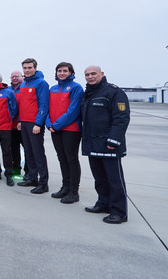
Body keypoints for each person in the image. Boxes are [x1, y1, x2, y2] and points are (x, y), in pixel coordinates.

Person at [81, 65, 130, 224]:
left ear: (102, 74)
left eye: (93, 73)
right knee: (99, 178)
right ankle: (103, 203)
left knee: (114, 180)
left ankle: (119, 212)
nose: (90, 76)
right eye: (87, 74)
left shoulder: (114, 92)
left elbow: (121, 118)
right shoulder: (88, 94)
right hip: (93, 144)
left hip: (109, 145)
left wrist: (113, 140)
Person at [46, 62, 84, 203]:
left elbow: (72, 111)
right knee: (62, 158)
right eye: (59, 71)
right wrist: (49, 123)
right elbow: (48, 108)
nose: (61, 73)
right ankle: (65, 187)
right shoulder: (53, 89)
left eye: (64, 71)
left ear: (71, 72)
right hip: (55, 129)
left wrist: (56, 125)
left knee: (71, 159)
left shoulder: (76, 88)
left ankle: (74, 192)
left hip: (71, 129)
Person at [16, 58, 50, 194]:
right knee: (28, 152)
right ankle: (32, 178)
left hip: (34, 123)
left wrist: (38, 123)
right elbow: (22, 105)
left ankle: (43, 183)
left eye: (30, 67)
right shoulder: (23, 84)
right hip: (24, 123)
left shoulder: (41, 83)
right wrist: (19, 120)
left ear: (35, 68)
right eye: (25, 68)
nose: (27, 70)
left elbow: (44, 105)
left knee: (38, 153)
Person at [9, 70, 27, 177]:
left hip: (24, 124)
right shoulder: (8, 90)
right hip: (11, 125)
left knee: (28, 150)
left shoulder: (25, 88)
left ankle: (28, 171)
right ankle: (16, 169)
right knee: (14, 149)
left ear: (22, 77)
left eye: (17, 76)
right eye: (12, 77)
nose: (14, 78)